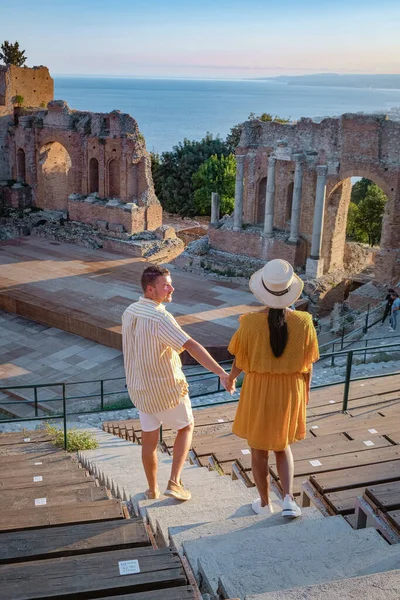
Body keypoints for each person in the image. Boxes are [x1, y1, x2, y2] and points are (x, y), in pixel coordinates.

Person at [122, 265, 231, 502]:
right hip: (166, 388)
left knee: (149, 440)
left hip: (140, 390)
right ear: (151, 289)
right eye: (165, 285)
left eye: (170, 283)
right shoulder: (161, 317)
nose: (172, 288)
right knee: (186, 427)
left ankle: (152, 490)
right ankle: (175, 482)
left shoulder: (130, 311)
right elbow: (191, 346)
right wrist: (222, 373)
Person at [227, 259, 319, 518]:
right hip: (291, 389)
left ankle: (265, 502)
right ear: (291, 291)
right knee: (282, 445)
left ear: (263, 290)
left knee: (258, 450)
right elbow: (308, 363)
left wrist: (231, 378)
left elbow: (240, 360)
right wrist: (307, 394)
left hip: (258, 389)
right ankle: (289, 500)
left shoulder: (249, 322)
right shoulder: (304, 321)